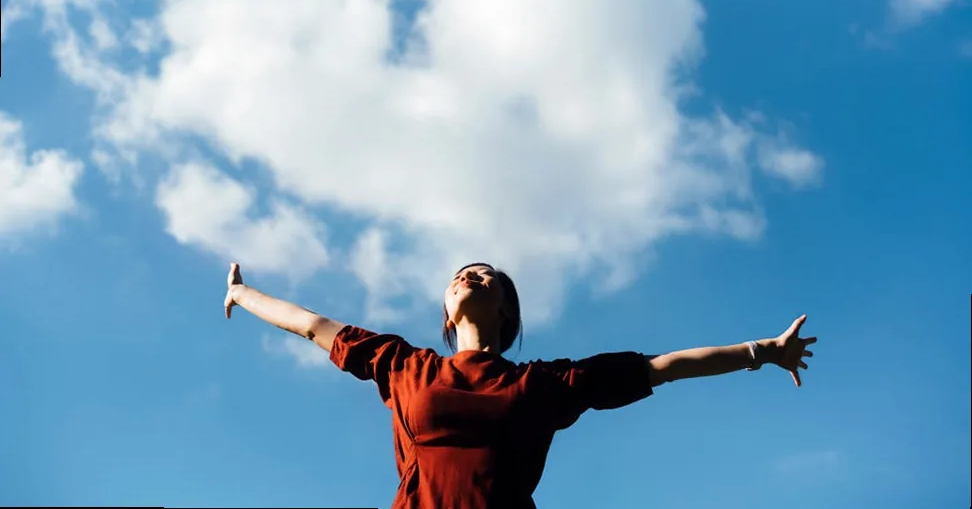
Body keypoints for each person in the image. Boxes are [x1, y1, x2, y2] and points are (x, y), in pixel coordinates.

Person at [223, 261, 816, 509]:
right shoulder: (405, 366)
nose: (471, 275)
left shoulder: (547, 383)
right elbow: (310, 325)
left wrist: (762, 352)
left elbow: (662, 367)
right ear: (448, 310)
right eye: (460, 276)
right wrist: (241, 294)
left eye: (487, 275)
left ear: (508, 312)